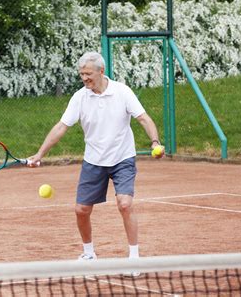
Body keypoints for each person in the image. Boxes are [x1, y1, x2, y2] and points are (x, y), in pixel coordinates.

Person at [28, 51, 163, 266]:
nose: (84, 78)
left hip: (122, 158)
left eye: (88, 73)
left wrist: (155, 141)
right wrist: (40, 154)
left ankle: (134, 258)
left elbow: (143, 118)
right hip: (94, 160)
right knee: (81, 210)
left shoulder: (122, 92)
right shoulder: (80, 97)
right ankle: (89, 253)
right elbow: (62, 127)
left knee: (125, 204)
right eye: (81, 74)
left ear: (101, 71)